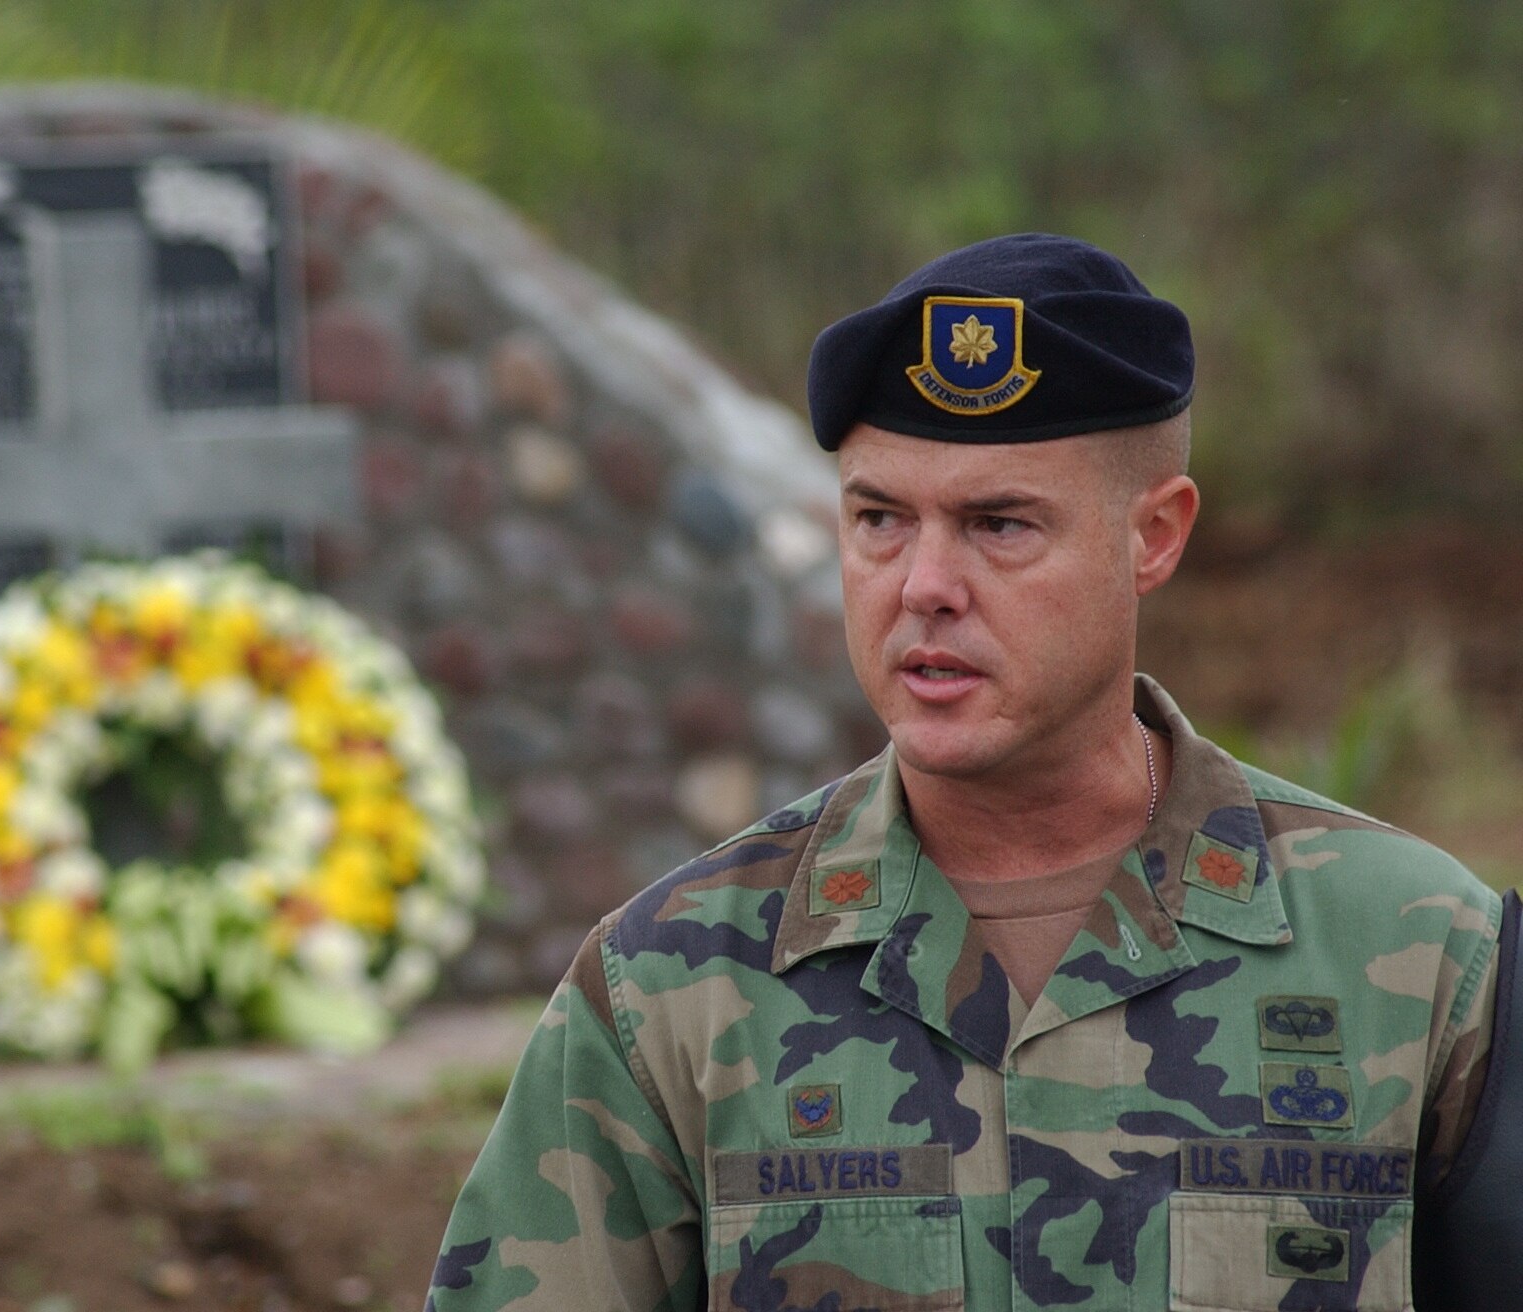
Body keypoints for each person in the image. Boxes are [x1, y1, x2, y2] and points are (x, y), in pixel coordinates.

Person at [424, 233, 1519, 1311]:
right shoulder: (673, 984)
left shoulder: (1421, 956)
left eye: (998, 523)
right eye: (878, 520)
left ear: (1153, 536)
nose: (923, 585)